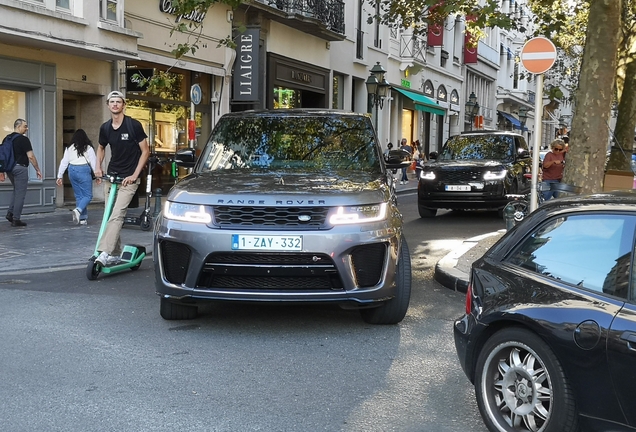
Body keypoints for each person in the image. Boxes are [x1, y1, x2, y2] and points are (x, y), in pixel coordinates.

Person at [94, 91, 150, 266]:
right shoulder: (105, 128)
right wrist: (98, 167)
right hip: (112, 177)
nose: (115, 104)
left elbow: (145, 151)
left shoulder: (133, 125)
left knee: (117, 215)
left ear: (123, 105)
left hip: (129, 179)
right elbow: (101, 147)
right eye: (112, 102)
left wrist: (135, 175)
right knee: (109, 215)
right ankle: (115, 253)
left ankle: (104, 252)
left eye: (118, 102)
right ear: (108, 105)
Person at [0, 119, 42, 227]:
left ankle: (10, 213)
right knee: (20, 193)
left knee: (17, 190)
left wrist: (2, 170)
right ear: (18, 127)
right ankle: (16, 219)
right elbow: (31, 156)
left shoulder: (7, 139)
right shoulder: (23, 140)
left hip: (10, 169)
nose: (27, 128)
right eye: (25, 126)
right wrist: (37, 169)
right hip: (20, 168)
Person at [56, 129, 97, 225]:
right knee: (88, 195)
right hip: (83, 170)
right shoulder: (88, 148)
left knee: (79, 196)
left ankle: (82, 219)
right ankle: (78, 210)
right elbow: (94, 163)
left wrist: (59, 176)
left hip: (71, 170)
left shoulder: (69, 148)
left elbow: (64, 162)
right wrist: (97, 175)